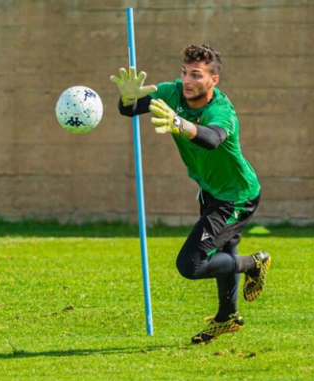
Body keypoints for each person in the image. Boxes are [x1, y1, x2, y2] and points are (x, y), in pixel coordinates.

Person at [111, 44, 270, 344]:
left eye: (196, 75)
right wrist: (127, 97)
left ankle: (254, 263)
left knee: (191, 264)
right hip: (210, 191)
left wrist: (181, 125)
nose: (186, 81)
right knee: (222, 253)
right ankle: (227, 318)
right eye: (184, 73)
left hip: (237, 197)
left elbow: (212, 138)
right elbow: (130, 110)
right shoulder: (173, 93)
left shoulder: (221, 109)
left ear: (213, 81)